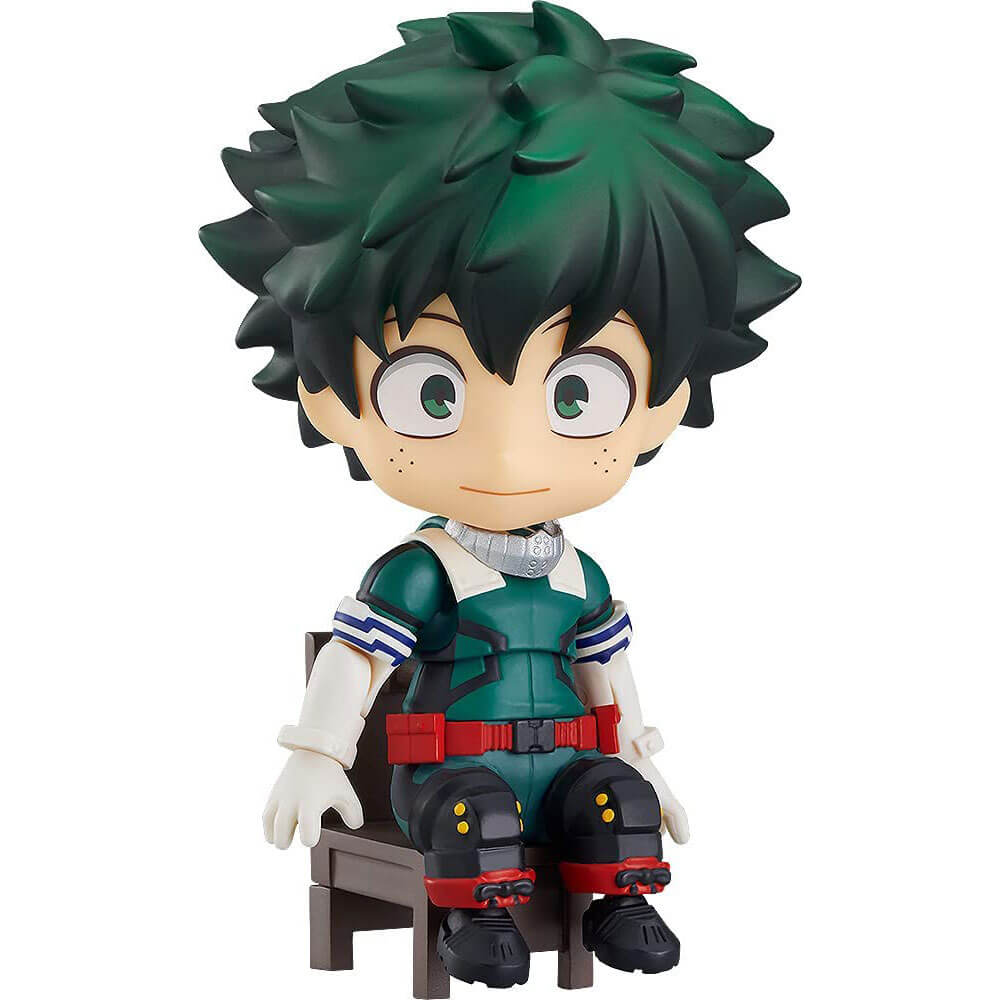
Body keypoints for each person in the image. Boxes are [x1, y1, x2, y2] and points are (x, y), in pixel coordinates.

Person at [201, 3, 798, 986]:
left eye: (578, 394)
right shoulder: (421, 572)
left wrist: (641, 754)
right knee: (471, 817)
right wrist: (316, 751)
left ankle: (620, 899)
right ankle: (474, 919)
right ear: (331, 396)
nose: (510, 453)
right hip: (453, 780)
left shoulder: (579, 573)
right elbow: (358, 658)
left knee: (615, 800)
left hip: (565, 774)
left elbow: (608, 674)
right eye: (433, 392)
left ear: (663, 403)